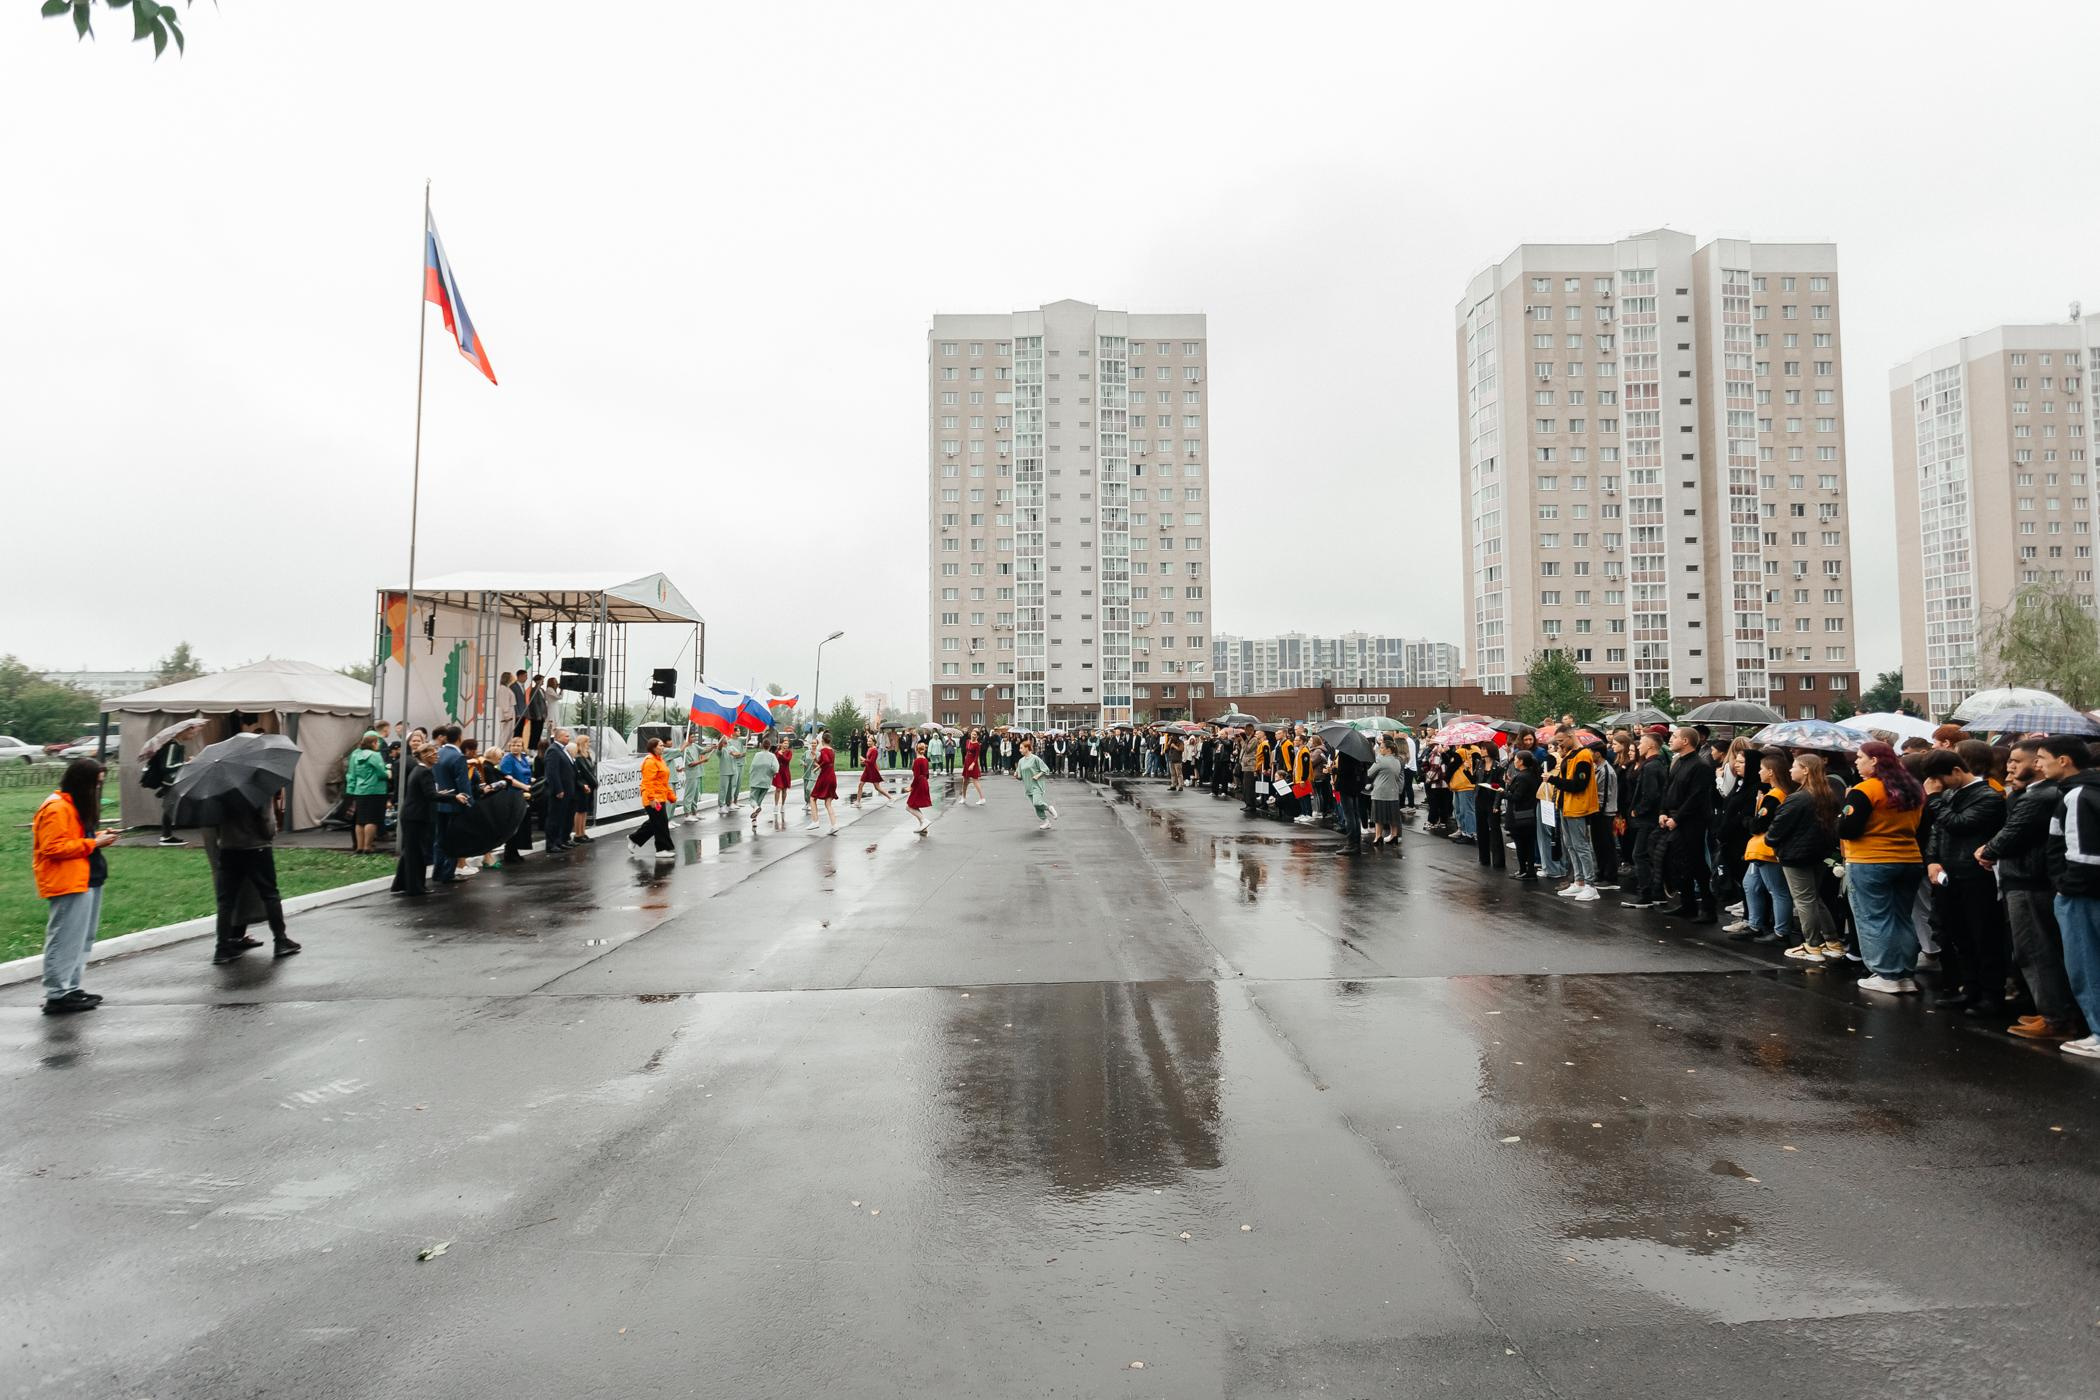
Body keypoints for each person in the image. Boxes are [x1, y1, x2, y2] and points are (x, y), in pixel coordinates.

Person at [1979, 739, 2082, 1041]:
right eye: (2008, 761)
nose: (2010, 766)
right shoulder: (2030, 794)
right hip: (2026, 879)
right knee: (2034, 949)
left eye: (2017, 761)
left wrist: (1988, 850)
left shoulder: (2039, 797)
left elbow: (2012, 834)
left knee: (2035, 950)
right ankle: (2050, 1010)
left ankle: (2056, 1018)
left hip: (2028, 881)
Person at [1920, 747, 2009, 1013]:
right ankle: (1969, 988)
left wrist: (1934, 799)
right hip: (1949, 874)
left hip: (1976, 875)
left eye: (1941, 779)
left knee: (1984, 935)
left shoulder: (1989, 797)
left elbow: (1959, 823)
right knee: (1958, 935)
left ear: (1957, 771)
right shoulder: (1948, 794)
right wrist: (1933, 860)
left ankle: (1992, 994)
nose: (1938, 786)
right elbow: (1937, 830)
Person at [1837, 741, 1927, 993]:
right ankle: (1904, 973)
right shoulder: (1913, 789)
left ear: (1874, 760)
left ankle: (1886, 974)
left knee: (1874, 917)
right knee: (1901, 918)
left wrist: (1842, 814)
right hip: (1909, 858)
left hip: (1870, 860)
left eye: (1860, 757)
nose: (1856, 761)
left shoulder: (1865, 789)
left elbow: (1848, 828)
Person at [34, 758, 118, 1014]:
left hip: (86, 877)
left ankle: (70, 987)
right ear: (83, 783)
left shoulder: (73, 807)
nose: (97, 790)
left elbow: (73, 839)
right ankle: (57, 994)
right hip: (69, 881)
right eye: (95, 785)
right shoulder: (57, 808)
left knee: (82, 939)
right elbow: (53, 848)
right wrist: (93, 844)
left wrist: (97, 837)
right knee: (65, 938)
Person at [2040, 737, 2100, 1059]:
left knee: (2086, 965)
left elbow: (2082, 854)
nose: (2039, 764)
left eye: (2042, 757)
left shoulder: (2076, 795)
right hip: (2087, 891)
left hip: (2082, 894)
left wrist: (2066, 887)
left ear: (2063, 760)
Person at [211, 781, 298, 965]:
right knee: (270, 894)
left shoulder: (219, 789)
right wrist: (270, 834)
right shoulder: (257, 786)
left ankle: (222, 948)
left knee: (226, 901)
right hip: (256, 847)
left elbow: (215, 822)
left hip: (228, 847)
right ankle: (280, 940)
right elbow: (267, 821)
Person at [1732, 751, 1798, 947]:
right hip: (1759, 850)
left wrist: (1747, 821)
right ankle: (1755, 924)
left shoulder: (1775, 796)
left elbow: (1759, 824)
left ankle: (1781, 932)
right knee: (1750, 885)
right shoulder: (1771, 795)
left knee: (1777, 890)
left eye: (1762, 769)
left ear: (1771, 772)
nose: (1759, 772)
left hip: (1767, 849)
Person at [1658, 727, 1716, 922]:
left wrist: (1678, 818)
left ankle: (1708, 909)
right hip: (1673, 817)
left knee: (1696, 863)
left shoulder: (1701, 765)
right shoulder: (1676, 762)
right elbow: (1667, 789)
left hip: (1692, 821)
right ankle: (1687, 903)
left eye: (1674, 737)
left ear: (1685, 741)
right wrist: (1663, 812)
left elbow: (1696, 797)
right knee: (1678, 863)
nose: (1670, 740)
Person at [1546, 731, 1600, 900]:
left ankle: (1590, 884)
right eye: (1557, 742)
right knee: (1570, 845)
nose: (1559, 745)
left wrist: (1553, 779)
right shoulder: (1570, 754)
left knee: (1581, 846)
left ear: (1571, 736)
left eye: (1561, 741)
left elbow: (1579, 784)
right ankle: (1579, 881)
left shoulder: (1583, 755)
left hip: (1577, 806)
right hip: (1566, 805)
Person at [391, 743, 437, 897]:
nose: (436, 755)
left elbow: (425, 793)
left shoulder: (418, 770)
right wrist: (453, 797)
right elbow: (431, 795)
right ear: (425, 755)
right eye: (433, 753)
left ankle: (401, 884)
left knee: (409, 852)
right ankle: (416, 887)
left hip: (410, 815)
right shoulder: (425, 772)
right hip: (417, 817)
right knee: (416, 853)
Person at [431, 726, 472, 883]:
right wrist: (470, 803)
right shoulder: (458, 757)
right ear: (459, 738)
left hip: (440, 802)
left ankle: (437, 871)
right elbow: (463, 784)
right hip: (455, 803)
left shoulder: (438, 753)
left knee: (440, 838)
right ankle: (448, 873)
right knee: (454, 839)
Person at [628, 736, 677, 859]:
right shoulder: (650, 761)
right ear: (653, 748)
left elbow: (664, 782)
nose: (663, 747)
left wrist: (670, 795)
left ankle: (634, 838)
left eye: (662, 745)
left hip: (660, 796)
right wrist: (651, 799)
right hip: (653, 798)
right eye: (660, 745)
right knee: (660, 823)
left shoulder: (660, 760)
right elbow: (648, 782)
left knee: (655, 822)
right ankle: (661, 849)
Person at [343, 733, 390, 855]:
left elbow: (351, 773)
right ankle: (368, 847)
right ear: (373, 743)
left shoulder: (356, 754)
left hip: (359, 790)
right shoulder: (375, 755)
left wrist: (351, 789)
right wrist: (388, 771)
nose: (379, 744)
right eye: (377, 742)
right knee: (372, 820)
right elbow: (381, 773)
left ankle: (359, 846)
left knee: (360, 820)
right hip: (375, 791)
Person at [496, 735, 537, 863]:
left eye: (518, 745)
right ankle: (509, 852)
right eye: (513, 745)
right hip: (512, 794)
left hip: (525, 794)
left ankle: (515, 851)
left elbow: (526, 774)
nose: (515, 747)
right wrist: (524, 786)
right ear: (510, 746)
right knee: (513, 824)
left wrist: (531, 781)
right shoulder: (507, 759)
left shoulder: (524, 758)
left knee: (522, 824)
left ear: (522, 747)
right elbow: (508, 779)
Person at [1504, 751, 1543, 879]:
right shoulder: (1532, 775)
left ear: (1521, 761)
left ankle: (1524, 870)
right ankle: (1528, 869)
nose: (1514, 761)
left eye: (1516, 759)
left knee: (1521, 844)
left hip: (1520, 815)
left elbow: (1516, 797)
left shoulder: (1522, 777)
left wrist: (1502, 792)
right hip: (1529, 813)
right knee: (1529, 844)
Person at [1367, 736, 1408, 850]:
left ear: (1388, 750)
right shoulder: (1397, 761)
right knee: (1393, 816)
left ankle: (1378, 837)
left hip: (1380, 792)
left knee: (1378, 817)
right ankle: (1394, 836)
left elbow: (1370, 773)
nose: (1380, 750)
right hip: (1393, 792)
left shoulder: (1380, 760)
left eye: (1382, 748)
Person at [541, 727, 577, 852]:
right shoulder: (553, 751)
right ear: (558, 737)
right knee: (554, 818)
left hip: (568, 791)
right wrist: (558, 789)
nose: (569, 738)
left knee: (563, 817)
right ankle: (551, 844)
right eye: (566, 736)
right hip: (559, 791)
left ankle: (560, 841)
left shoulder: (563, 750)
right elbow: (552, 773)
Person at [1014, 736, 1054, 829]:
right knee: (1037, 807)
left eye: (1021, 748)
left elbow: (1046, 769)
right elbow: (1020, 777)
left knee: (1037, 803)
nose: (1020, 750)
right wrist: (1016, 776)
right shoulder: (1021, 761)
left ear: (1027, 748)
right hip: (1028, 787)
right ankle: (1046, 822)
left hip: (1037, 785)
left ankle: (1049, 808)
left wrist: (1038, 775)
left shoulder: (1035, 758)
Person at [805, 730, 840, 834]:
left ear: (822, 740)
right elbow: (826, 762)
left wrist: (819, 762)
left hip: (825, 777)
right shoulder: (832, 750)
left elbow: (826, 761)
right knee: (828, 803)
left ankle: (815, 821)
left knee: (812, 798)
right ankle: (834, 825)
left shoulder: (824, 750)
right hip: (832, 777)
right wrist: (817, 761)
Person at [570, 732, 598, 844]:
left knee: (585, 810)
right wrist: (585, 784)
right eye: (587, 742)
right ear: (582, 743)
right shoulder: (578, 757)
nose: (589, 744)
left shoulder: (587, 756)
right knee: (580, 810)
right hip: (582, 787)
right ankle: (578, 833)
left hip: (589, 785)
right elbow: (580, 774)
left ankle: (583, 832)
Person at [746, 741, 781, 828]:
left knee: (752, 799)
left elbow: (752, 767)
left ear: (762, 746)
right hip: (766, 782)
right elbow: (776, 768)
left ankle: (755, 810)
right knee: (759, 802)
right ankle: (754, 821)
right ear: (769, 747)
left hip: (755, 781)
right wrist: (773, 773)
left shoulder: (757, 755)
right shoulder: (772, 756)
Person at [908, 739, 935, 834]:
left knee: (909, 806)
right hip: (924, 782)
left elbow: (916, 776)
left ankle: (924, 821)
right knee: (914, 805)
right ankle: (924, 827)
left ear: (916, 750)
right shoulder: (925, 760)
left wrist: (911, 787)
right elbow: (927, 774)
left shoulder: (917, 761)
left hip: (919, 783)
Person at [855, 736, 892, 806]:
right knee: (860, 785)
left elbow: (872, 762)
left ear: (874, 742)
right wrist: (864, 762)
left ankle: (891, 798)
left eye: (870, 741)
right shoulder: (869, 749)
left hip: (872, 770)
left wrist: (863, 759)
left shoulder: (874, 750)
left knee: (877, 787)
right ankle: (858, 802)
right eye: (867, 741)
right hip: (867, 769)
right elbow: (869, 761)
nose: (868, 742)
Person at [717, 732, 746, 813]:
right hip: (725, 772)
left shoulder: (731, 747)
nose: (726, 738)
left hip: (734, 771)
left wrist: (739, 754)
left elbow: (738, 754)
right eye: (724, 738)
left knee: (731, 788)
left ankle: (728, 804)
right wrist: (721, 739)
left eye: (726, 737)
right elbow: (719, 748)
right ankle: (721, 806)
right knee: (724, 789)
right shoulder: (720, 750)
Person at [961, 729, 986, 806]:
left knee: (975, 781)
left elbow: (976, 756)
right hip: (966, 762)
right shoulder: (967, 741)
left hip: (973, 763)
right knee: (964, 781)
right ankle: (963, 798)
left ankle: (982, 798)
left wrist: (972, 764)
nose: (973, 735)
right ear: (971, 734)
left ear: (977, 736)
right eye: (972, 734)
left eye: (975, 734)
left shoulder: (977, 745)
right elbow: (966, 751)